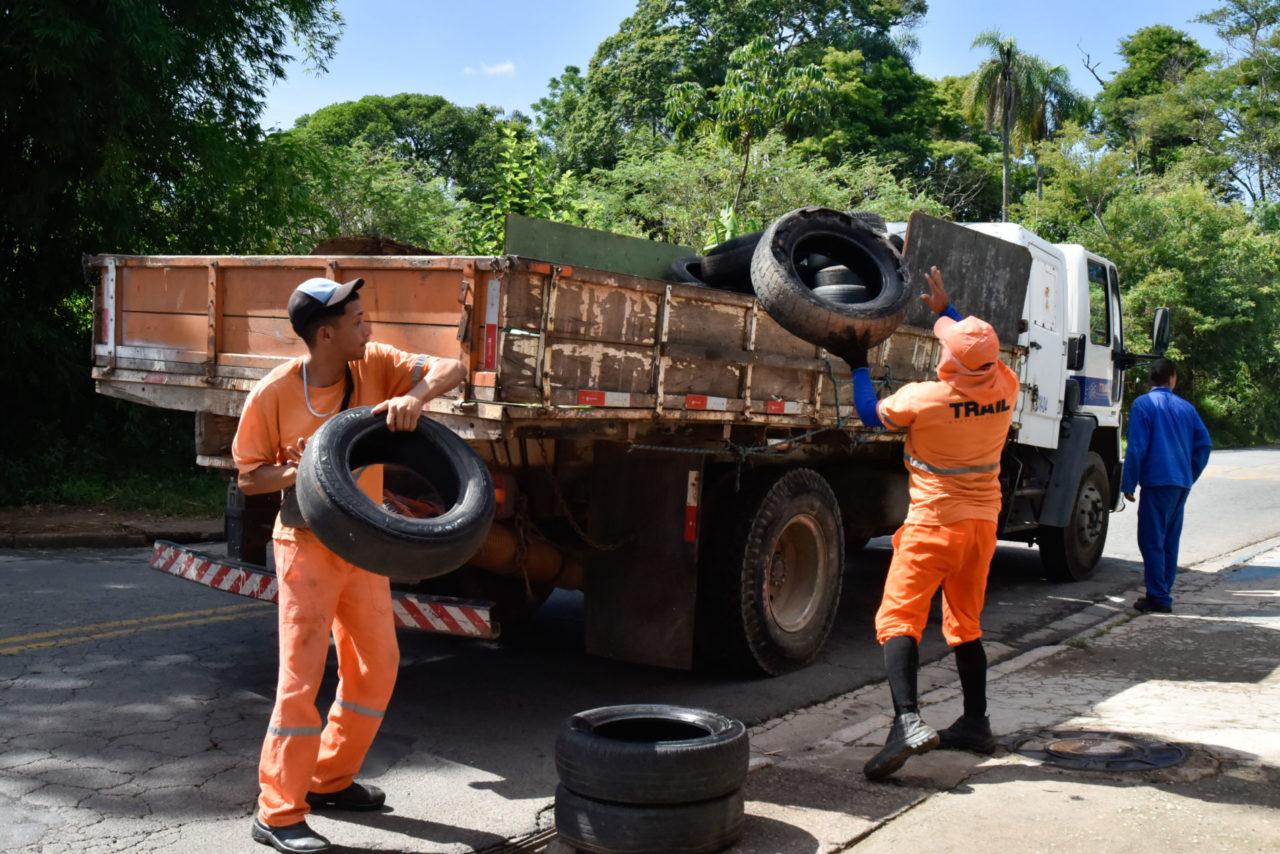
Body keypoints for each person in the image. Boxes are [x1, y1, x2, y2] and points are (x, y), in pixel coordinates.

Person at [233, 276, 465, 853]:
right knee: (300, 681)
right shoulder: (273, 393)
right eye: (359, 321)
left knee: (378, 667)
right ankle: (278, 811)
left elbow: (452, 366)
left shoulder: (378, 366)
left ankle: (329, 779)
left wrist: (417, 396)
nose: (370, 329)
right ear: (326, 334)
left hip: (365, 548)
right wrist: (303, 468)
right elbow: (248, 475)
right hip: (305, 547)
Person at [845, 266, 1020, 781]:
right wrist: (947, 311)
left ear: (951, 362)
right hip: (981, 525)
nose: (941, 347)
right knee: (964, 622)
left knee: (897, 619)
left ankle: (906, 722)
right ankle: (975, 723)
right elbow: (971, 347)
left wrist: (857, 363)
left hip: (932, 526)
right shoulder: (1005, 385)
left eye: (946, 345)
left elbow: (868, 415)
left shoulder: (925, 399)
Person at [1121, 357, 1212, 615]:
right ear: (1172, 378)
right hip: (1180, 484)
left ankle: (1158, 596)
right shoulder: (1187, 408)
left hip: (1156, 483)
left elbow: (1137, 448)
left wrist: (1129, 482)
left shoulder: (1143, 405)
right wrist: (1189, 474)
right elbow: (1204, 445)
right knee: (1170, 540)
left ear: (1152, 378)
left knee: (1151, 540)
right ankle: (1162, 591)